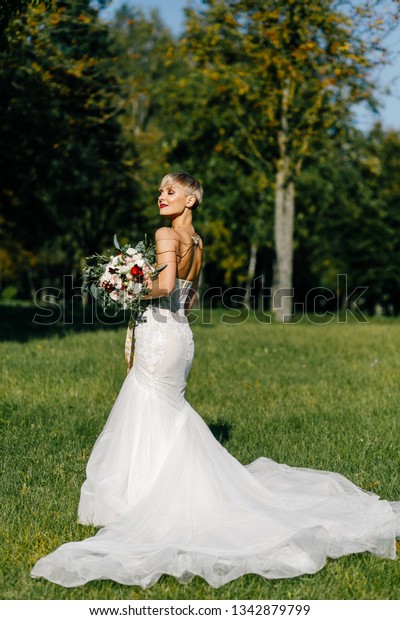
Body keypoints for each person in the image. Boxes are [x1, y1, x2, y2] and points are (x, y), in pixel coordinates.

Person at [31, 171, 399, 588]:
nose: (161, 196)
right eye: (160, 190)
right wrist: (144, 287)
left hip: (160, 334)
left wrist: (124, 286)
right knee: (163, 412)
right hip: (181, 335)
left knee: (148, 406)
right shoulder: (199, 243)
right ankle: (158, 489)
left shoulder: (166, 235)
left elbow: (166, 284)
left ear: (190, 200)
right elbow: (187, 297)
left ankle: (144, 498)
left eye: (170, 191)